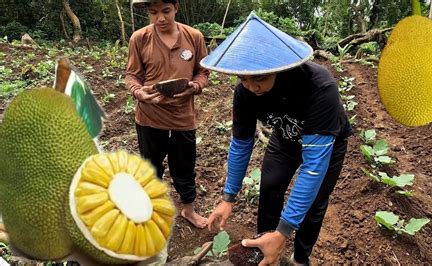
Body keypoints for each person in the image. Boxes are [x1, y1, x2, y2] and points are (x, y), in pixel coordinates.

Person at [202, 13, 353, 265]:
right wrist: (228, 197)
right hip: (284, 139)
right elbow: (241, 144)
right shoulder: (245, 92)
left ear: (280, 69)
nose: (252, 87)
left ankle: (300, 257)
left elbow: (313, 167)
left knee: (315, 203)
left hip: (325, 143)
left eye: (259, 78)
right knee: (270, 187)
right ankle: (263, 249)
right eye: (243, 78)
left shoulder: (319, 87)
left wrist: (285, 231)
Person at [126, 0, 209, 228]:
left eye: (166, 11)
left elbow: (203, 71)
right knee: (151, 165)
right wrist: (138, 92)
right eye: (153, 13)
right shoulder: (139, 38)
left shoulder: (194, 37)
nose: (160, 18)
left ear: (176, 7)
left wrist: (195, 86)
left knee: (184, 165)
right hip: (149, 116)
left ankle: (188, 210)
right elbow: (132, 75)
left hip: (183, 116)